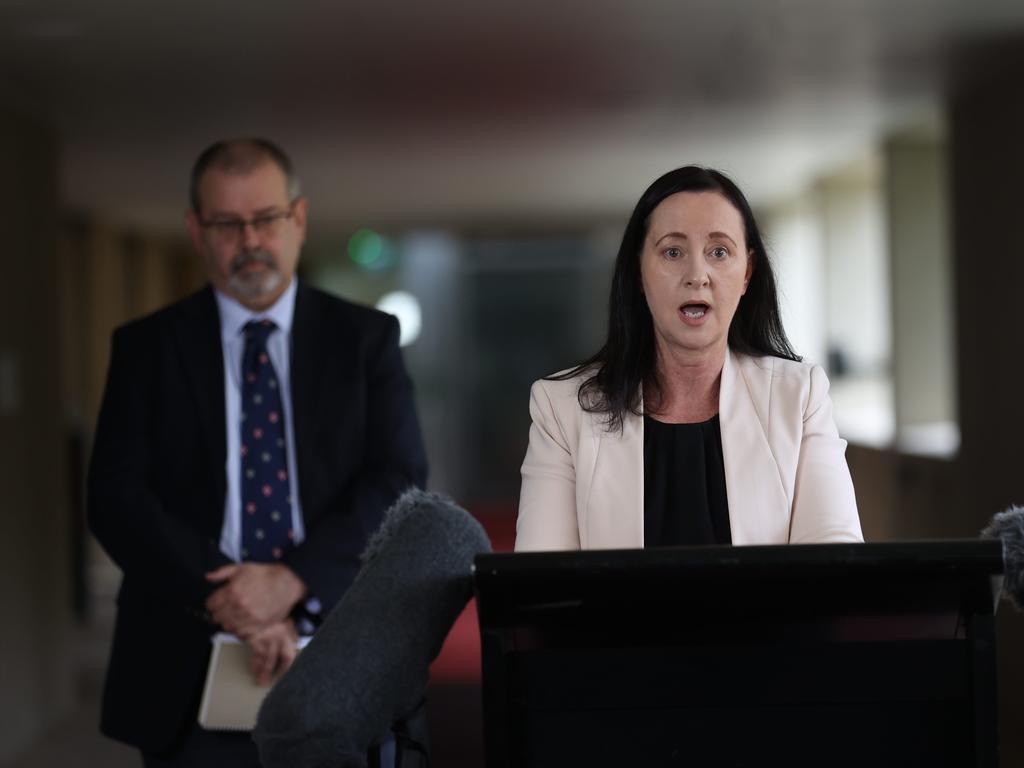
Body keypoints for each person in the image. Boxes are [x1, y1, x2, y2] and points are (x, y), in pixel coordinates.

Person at [87, 138, 428, 766]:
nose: (249, 240)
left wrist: (292, 579)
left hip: (339, 643)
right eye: (227, 223)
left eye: (266, 219)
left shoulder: (365, 340)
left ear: (298, 219)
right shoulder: (146, 348)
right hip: (184, 656)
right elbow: (115, 498)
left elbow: (399, 478)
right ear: (196, 229)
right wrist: (227, 595)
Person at [516, 166, 862, 551]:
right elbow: (543, 584)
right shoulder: (562, 409)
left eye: (719, 252)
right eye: (673, 252)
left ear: (747, 273)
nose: (697, 275)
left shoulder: (798, 398)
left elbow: (835, 567)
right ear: (638, 273)